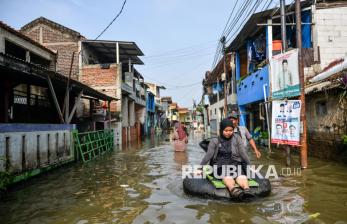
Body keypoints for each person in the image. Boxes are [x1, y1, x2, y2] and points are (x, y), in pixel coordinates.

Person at [199, 119, 254, 200]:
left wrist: (250, 165)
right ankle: (233, 189)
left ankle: (247, 189)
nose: (229, 132)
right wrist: (200, 167)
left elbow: (243, 153)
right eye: (226, 130)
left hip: (234, 162)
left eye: (231, 130)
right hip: (219, 164)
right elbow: (209, 155)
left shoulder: (237, 138)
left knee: (241, 175)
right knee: (227, 176)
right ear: (221, 130)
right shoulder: (215, 140)